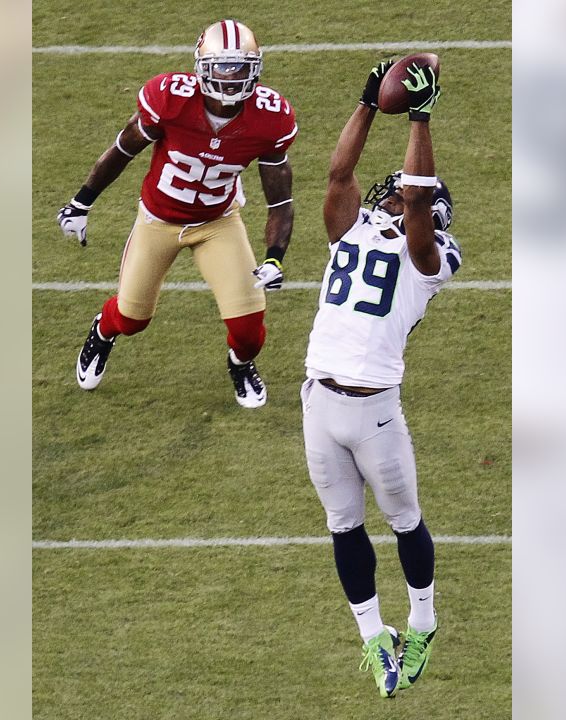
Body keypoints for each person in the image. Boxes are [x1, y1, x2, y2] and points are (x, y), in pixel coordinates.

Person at [301, 58, 458, 697]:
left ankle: (422, 620)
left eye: (401, 195)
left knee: (403, 520)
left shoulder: (430, 257)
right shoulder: (351, 231)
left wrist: (421, 114)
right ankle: (373, 638)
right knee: (343, 527)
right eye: (389, 193)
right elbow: (339, 173)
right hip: (318, 399)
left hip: (375, 410)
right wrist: (367, 102)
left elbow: (419, 199)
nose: (389, 198)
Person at [57, 19, 297, 408]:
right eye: (223, 67)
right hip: (158, 220)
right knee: (132, 319)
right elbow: (122, 149)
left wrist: (275, 257)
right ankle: (103, 331)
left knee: (250, 329)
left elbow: (280, 201)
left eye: (241, 67)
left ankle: (239, 365)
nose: (232, 78)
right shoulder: (171, 100)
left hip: (218, 222)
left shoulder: (270, 118)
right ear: (202, 66)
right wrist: (82, 202)